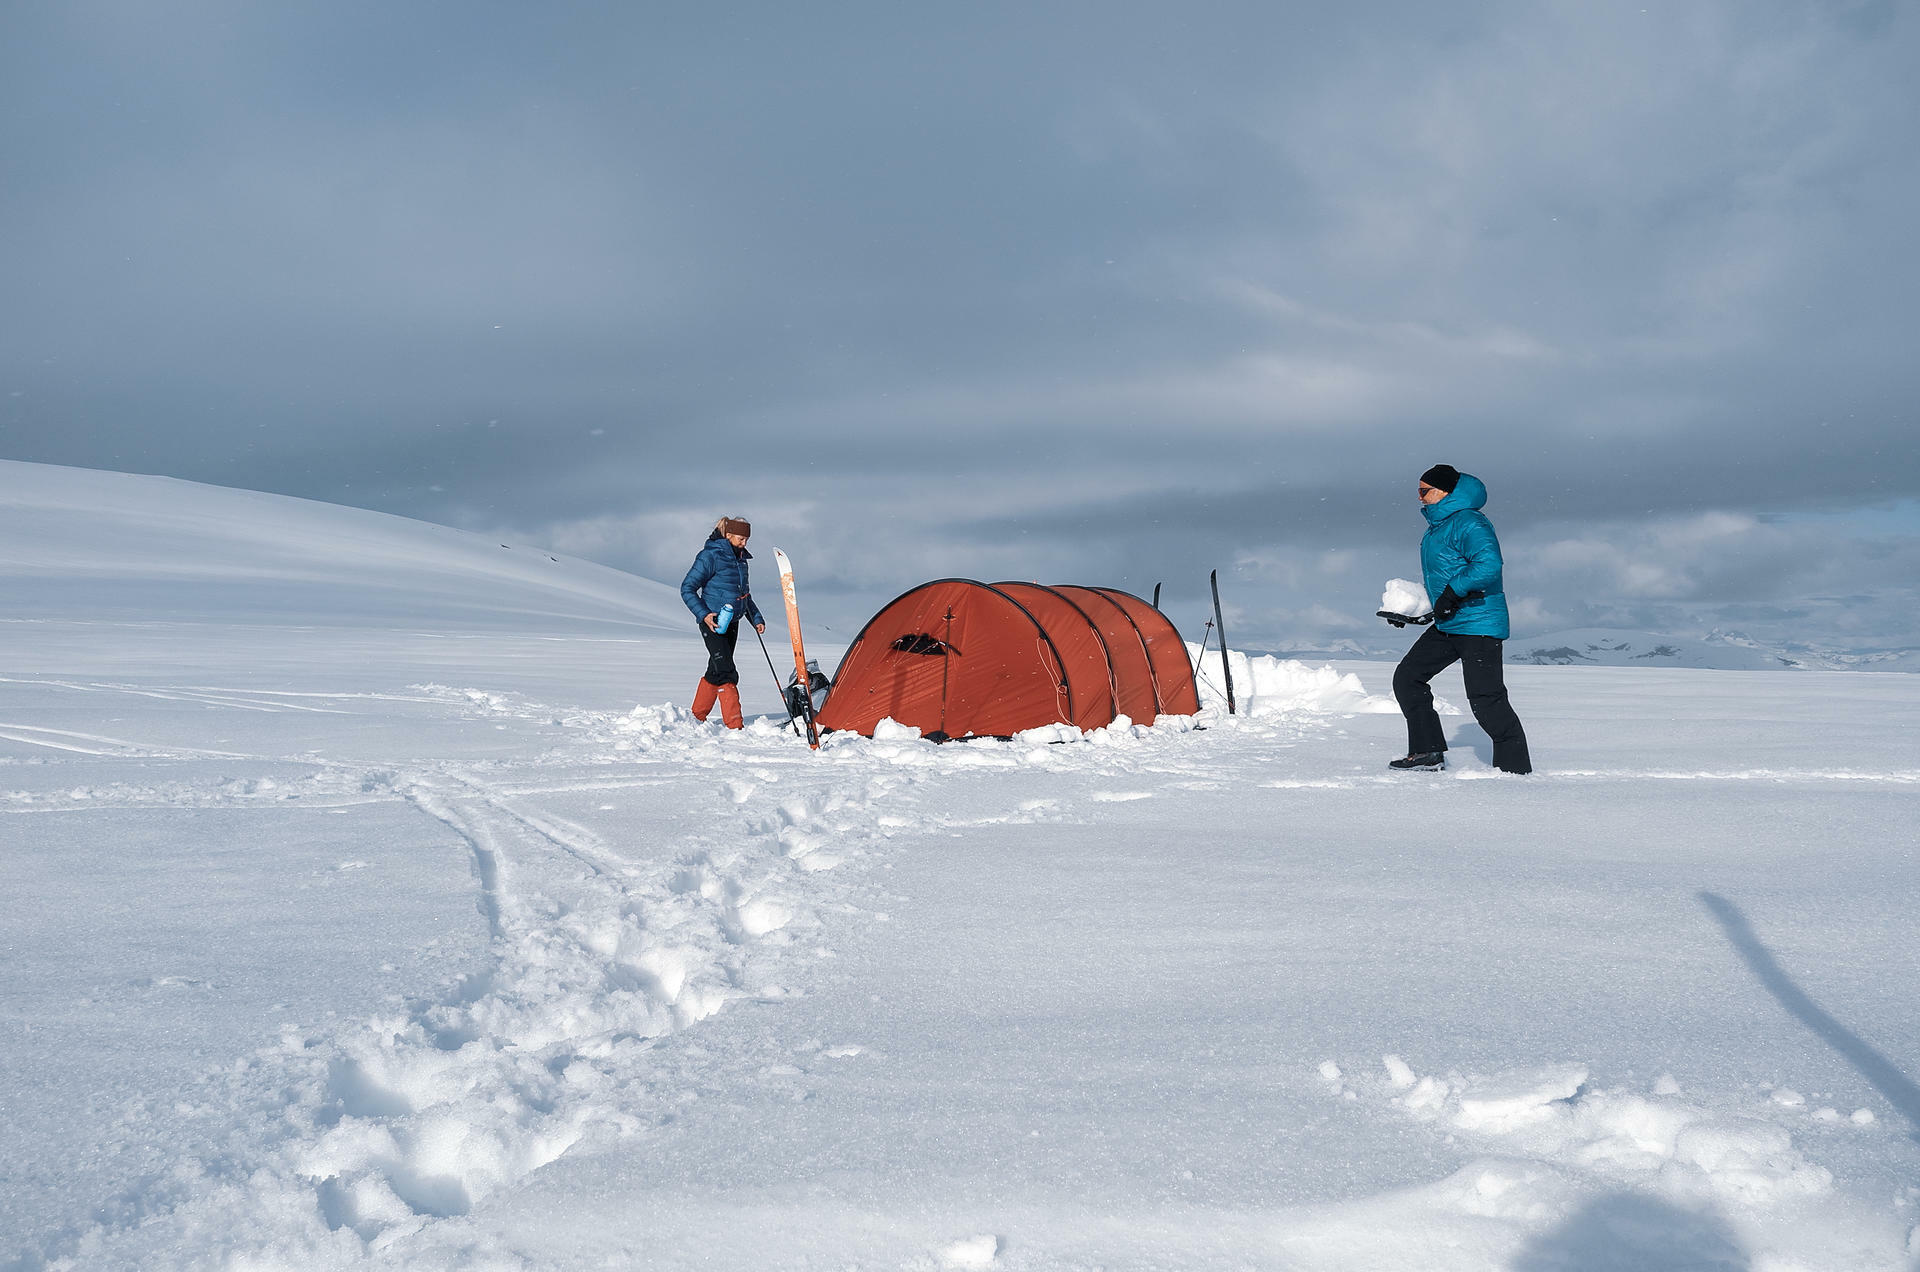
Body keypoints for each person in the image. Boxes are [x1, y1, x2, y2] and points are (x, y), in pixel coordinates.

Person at [1390, 465, 1533, 774]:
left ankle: (1515, 771)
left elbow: (1488, 565)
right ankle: (1427, 752)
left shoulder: (1469, 522)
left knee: (1487, 699)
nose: (1419, 497)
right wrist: (1411, 610)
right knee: (1408, 679)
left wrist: (1452, 593)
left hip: (1478, 624)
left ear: (1446, 492)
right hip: (1450, 623)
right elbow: (1442, 579)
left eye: (1424, 491)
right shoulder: (1439, 527)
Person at [680, 516, 767, 729]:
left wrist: (755, 618)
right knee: (727, 670)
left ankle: (696, 717)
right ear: (728, 535)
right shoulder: (710, 556)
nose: (744, 543)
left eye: (747, 539)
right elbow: (687, 588)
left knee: (716, 670)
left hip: (733, 621)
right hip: (713, 622)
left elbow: (744, 595)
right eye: (740, 538)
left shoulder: (741, 560)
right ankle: (735, 725)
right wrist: (705, 615)